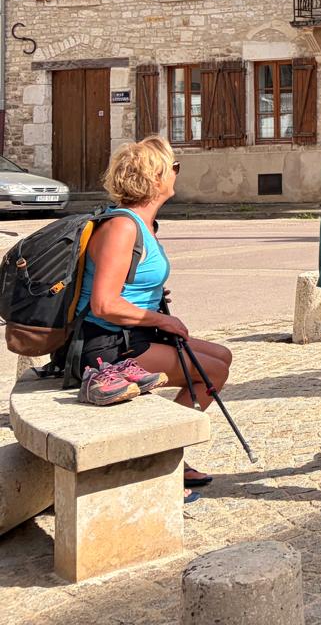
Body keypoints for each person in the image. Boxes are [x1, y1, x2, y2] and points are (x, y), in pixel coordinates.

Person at [75, 136, 232, 497]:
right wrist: (161, 319)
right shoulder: (123, 228)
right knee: (213, 372)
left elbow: (128, 285)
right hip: (107, 346)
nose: (177, 172)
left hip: (133, 334)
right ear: (156, 176)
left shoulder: (142, 224)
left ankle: (167, 454)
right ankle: (161, 461)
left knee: (222, 357)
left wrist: (154, 300)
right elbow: (103, 304)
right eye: (173, 166)